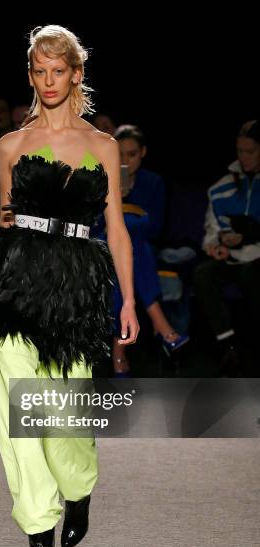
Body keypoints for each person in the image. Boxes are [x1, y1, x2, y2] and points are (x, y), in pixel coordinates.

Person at [0, 24, 139, 547]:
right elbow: (4, 225)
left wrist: (129, 300)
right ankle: (38, 541)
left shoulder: (103, 147)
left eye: (57, 70)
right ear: (32, 74)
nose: (48, 80)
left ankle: (78, 488)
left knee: (64, 422)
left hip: (75, 291)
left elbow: (115, 229)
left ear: (77, 73)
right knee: (16, 425)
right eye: (38, 71)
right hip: (14, 287)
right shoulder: (10, 145)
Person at [93, 124, 189, 375]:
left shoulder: (152, 182)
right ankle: (161, 325)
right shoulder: (101, 179)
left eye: (132, 154)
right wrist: (118, 203)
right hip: (104, 247)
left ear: (143, 152)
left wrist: (126, 208)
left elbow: (155, 228)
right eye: (120, 154)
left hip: (141, 250)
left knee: (133, 247)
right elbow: (95, 227)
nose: (125, 160)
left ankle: (119, 355)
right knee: (126, 246)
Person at [193, 119, 260, 376]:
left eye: (250, 151)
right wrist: (214, 246)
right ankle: (228, 346)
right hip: (231, 257)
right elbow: (211, 229)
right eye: (240, 151)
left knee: (251, 275)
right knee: (203, 273)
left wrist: (250, 235)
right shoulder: (222, 187)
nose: (244, 157)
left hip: (256, 259)